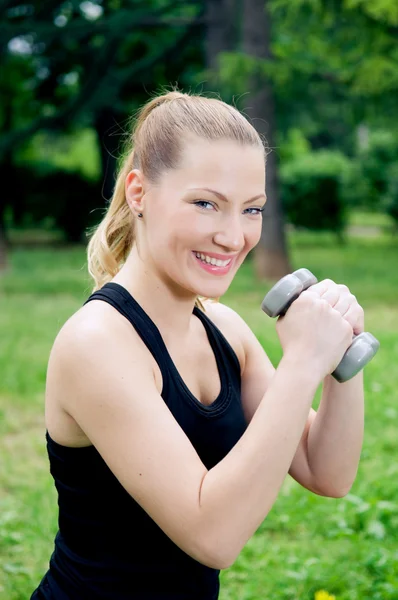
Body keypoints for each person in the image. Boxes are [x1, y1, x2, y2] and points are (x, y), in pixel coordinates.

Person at [31, 90, 365, 600]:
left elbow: (328, 472)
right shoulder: (97, 344)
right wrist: (301, 364)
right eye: (206, 203)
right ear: (138, 193)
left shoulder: (225, 330)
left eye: (252, 210)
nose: (233, 237)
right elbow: (214, 536)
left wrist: (342, 356)